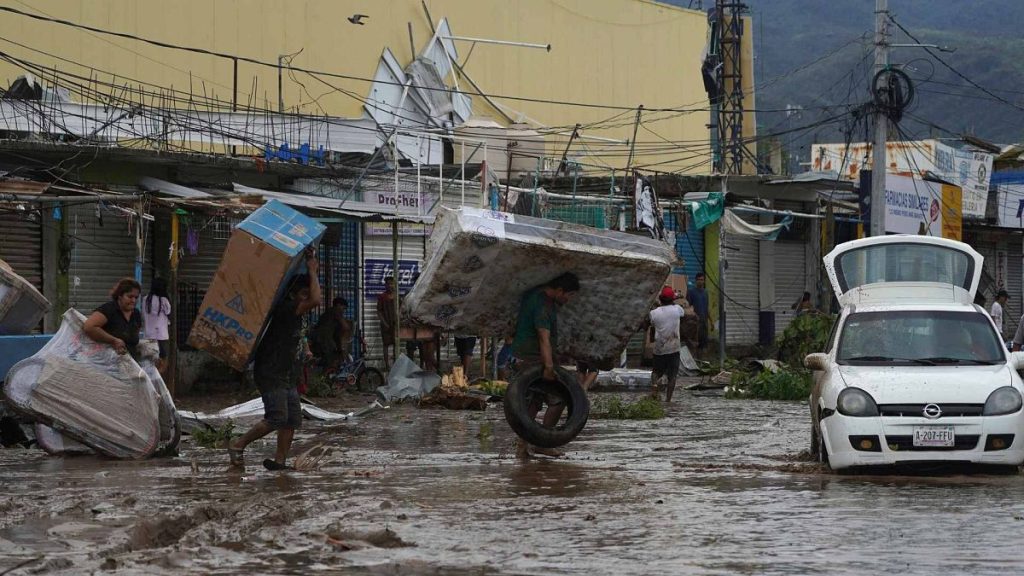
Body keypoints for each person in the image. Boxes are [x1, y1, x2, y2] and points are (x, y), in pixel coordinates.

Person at [228, 248, 321, 471]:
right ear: (293, 295)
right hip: (270, 372)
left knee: (292, 420)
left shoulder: (297, 316)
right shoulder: (287, 309)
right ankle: (238, 444)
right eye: (303, 295)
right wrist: (312, 269)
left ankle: (280, 462)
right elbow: (317, 299)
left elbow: (299, 336)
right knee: (277, 417)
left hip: (287, 374)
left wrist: (305, 351)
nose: (307, 299)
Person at [511, 272, 581, 459]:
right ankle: (543, 442)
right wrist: (549, 367)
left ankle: (523, 447)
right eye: (569, 295)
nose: (569, 299)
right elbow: (544, 339)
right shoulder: (543, 307)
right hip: (534, 358)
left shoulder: (533, 294)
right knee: (558, 399)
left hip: (522, 354)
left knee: (531, 403)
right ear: (559, 290)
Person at [84, 278, 144, 358]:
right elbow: (89, 327)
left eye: (136, 297)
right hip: (105, 363)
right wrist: (113, 340)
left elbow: (134, 337)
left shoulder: (136, 314)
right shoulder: (109, 309)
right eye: (130, 296)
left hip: (129, 364)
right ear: (120, 295)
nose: (133, 300)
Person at [649, 286, 687, 403]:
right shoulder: (677, 309)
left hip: (659, 348)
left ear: (661, 299)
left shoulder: (653, 313)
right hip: (674, 348)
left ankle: (655, 389)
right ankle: (668, 400)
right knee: (672, 376)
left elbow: (651, 326)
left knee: (656, 372)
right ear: (671, 299)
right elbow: (682, 313)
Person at [311, 297, 353, 369]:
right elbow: (346, 327)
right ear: (338, 305)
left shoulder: (329, 313)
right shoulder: (335, 311)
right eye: (343, 308)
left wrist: (339, 348)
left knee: (330, 360)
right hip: (323, 340)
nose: (343, 311)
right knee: (331, 360)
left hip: (320, 339)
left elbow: (337, 335)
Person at [142, 277, 171, 373]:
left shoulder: (145, 299)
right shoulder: (163, 300)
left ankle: (152, 376)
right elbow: (168, 311)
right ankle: (161, 376)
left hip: (149, 334)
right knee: (163, 356)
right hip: (161, 334)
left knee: (150, 358)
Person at [376, 278, 398, 369]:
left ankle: (395, 365)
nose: (390, 286)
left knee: (395, 344)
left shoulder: (396, 296)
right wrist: (384, 323)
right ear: (385, 285)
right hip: (385, 324)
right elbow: (379, 311)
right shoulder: (382, 296)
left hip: (395, 325)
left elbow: (400, 310)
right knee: (386, 344)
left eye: (392, 284)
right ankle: (387, 365)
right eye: (388, 284)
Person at [689, 272, 710, 351]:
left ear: (704, 281)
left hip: (704, 322)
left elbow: (707, 307)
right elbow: (689, 308)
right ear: (696, 280)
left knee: (703, 343)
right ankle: (695, 360)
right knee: (695, 342)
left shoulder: (706, 292)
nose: (700, 281)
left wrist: (710, 322)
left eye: (702, 280)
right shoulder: (691, 292)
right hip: (695, 322)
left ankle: (701, 361)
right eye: (699, 280)